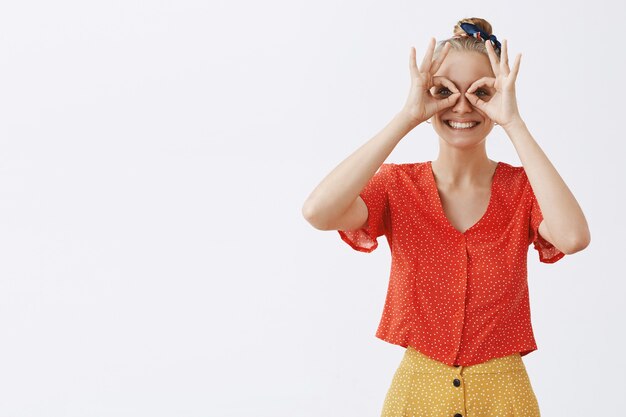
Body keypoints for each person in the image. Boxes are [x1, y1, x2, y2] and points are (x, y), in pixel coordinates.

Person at [301, 17, 590, 417]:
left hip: (504, 395)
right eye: (444, 90)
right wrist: (407, 116)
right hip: (417, 392)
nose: (462, 105)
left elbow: (573, 237)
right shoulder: (397, 186)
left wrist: (513, 122)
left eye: (481, 92)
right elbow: (318, 211)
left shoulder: (523, 189)